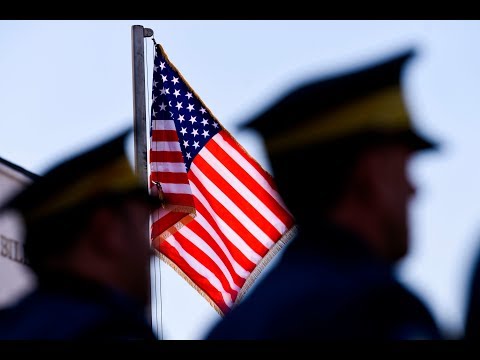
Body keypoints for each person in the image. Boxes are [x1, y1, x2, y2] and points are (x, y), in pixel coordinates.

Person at [205, 48, 443, 340]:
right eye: (404, 168)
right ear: (373, 174)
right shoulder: (381, 313)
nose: (414, 189)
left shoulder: (232, 328)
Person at [0, 128, 160, 340]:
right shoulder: (108, 332)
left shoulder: (13, 326)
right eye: (141, 229)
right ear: (106, 231)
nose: (152, 253)